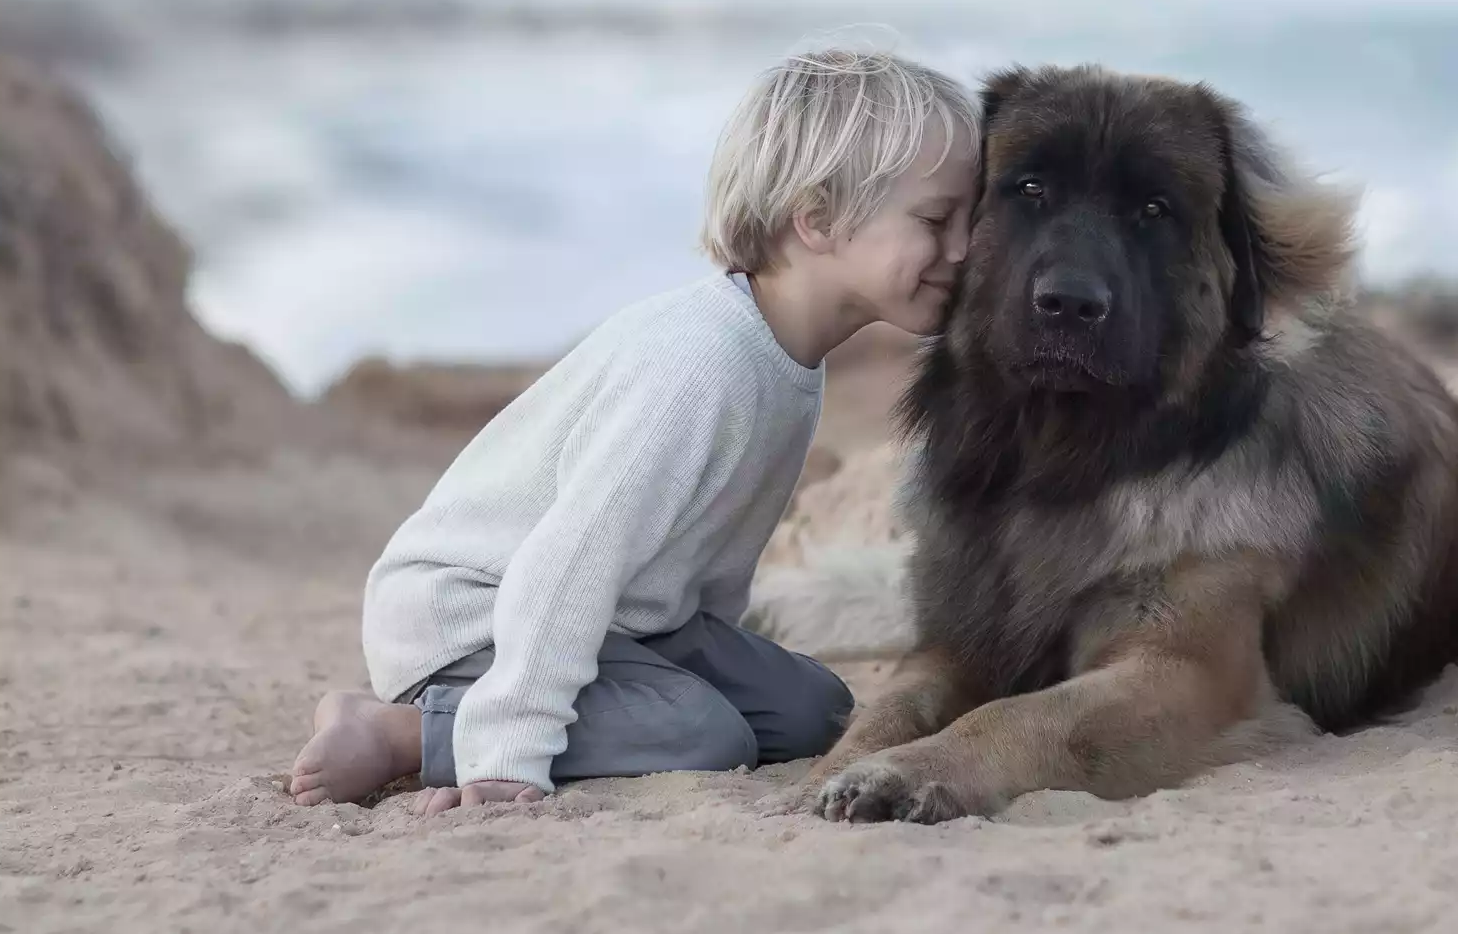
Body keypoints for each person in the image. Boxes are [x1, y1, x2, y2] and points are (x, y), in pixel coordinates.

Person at [286, 47, 981, 814]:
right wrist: (505, 750)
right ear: (816, 219)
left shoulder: (788, 357)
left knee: (813, 711)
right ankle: (400, 732)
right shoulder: (701, 362)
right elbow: (567, 561)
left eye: (971, 220)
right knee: (703, 733)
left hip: (632, 618)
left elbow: (715, 551)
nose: (965, 249)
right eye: (936, 220)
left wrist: (711, 659)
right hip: (476, 615)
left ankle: (634, 701)